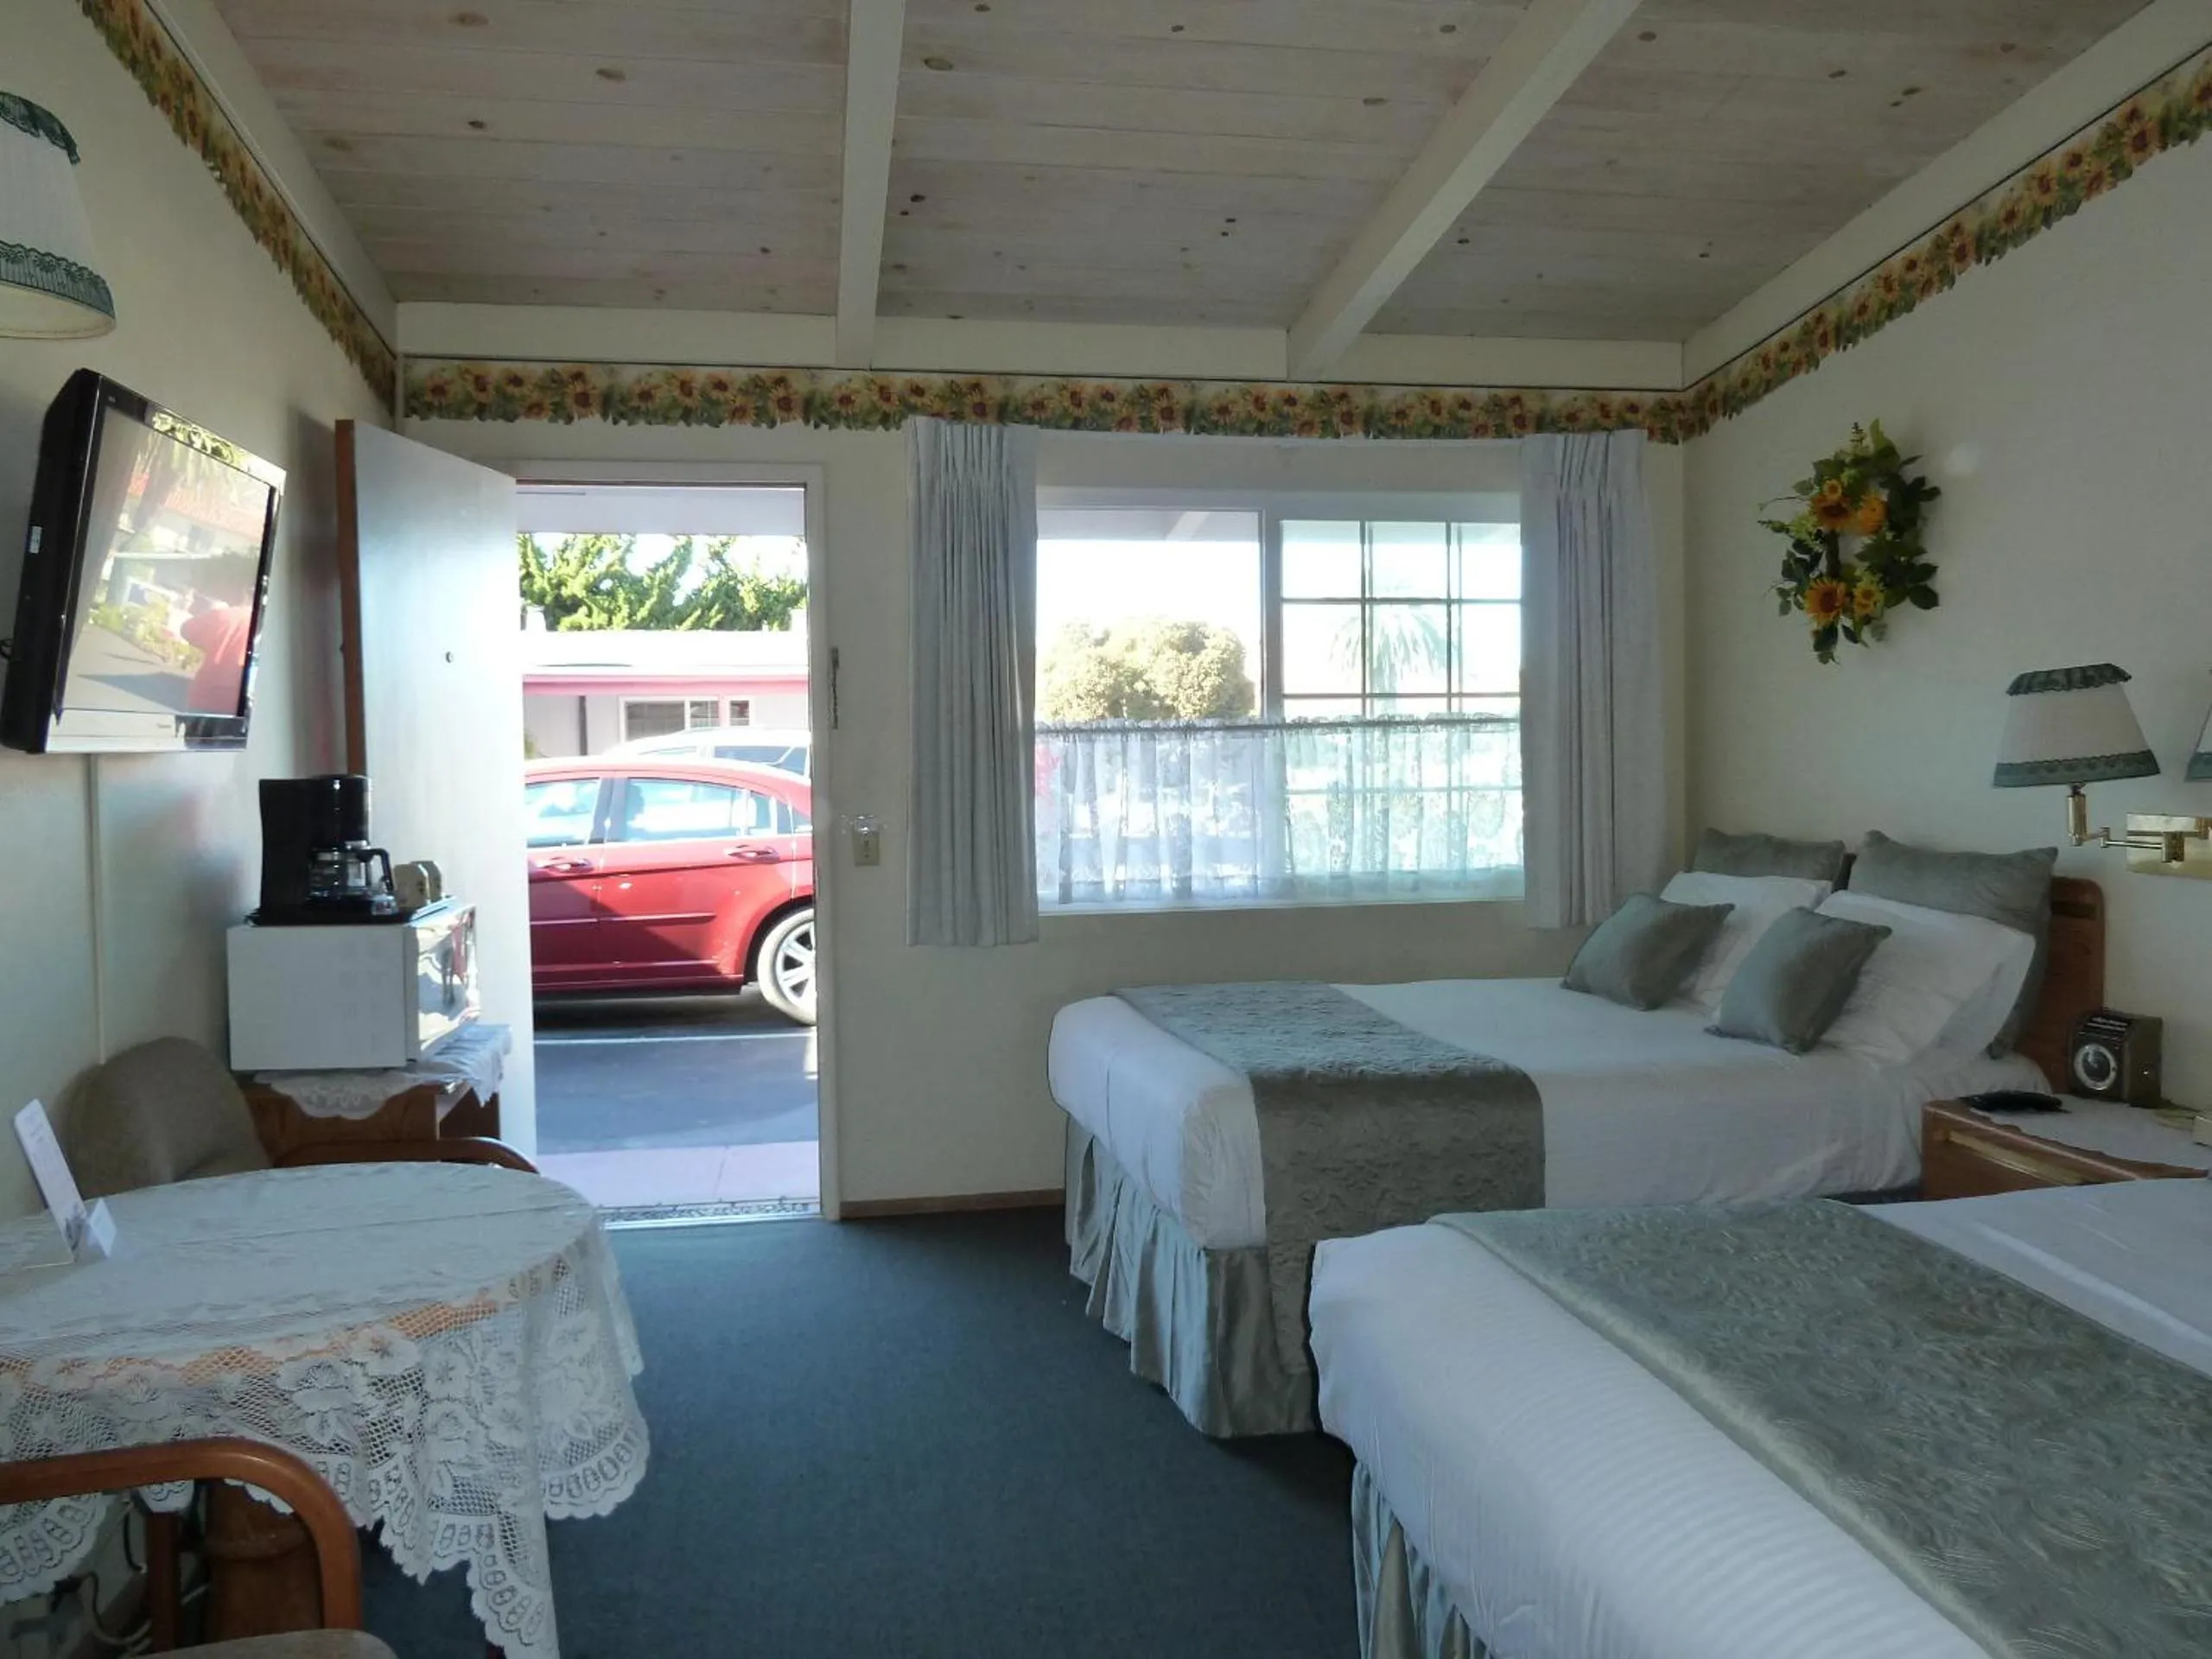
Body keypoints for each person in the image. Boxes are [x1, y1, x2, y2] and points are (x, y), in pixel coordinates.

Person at [180, 600, 251, 714]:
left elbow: (186, 629)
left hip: (204, 695)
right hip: (236, 704)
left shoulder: (223, 615)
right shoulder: (265, 627)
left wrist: (210, 644)